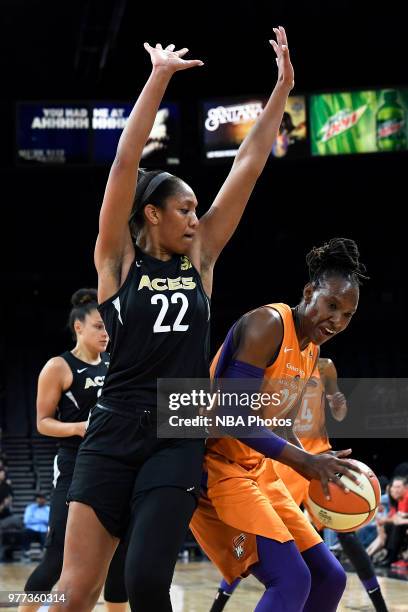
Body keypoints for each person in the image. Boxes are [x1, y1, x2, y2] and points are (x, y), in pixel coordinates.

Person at [51, 27, 296, 612]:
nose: (195, 217)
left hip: (174, 430)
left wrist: (282, 89)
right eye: (184, 208)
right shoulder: (115, 263)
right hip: (110, 429)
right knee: (74, 591)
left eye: (197, 210)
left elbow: (249, 163)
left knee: (142, 583)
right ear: (151, 214)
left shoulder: (202, 258)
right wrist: (157, 77)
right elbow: (123, 164)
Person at [191, 237, 366, 612]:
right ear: (309, 292)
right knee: (291, 579)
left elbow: (279, 420)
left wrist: (320, 462)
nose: (337, 320)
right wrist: (303, 463)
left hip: (258, 471)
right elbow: (230, 416)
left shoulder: (312, 350)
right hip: (217, 469)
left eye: (348, 314)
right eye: (331, 305)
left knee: (330, 577)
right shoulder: (267, 324)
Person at [208, 357, 389, 612]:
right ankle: (219, 604)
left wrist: (338, 405)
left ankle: (380, 606)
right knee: (269, 547)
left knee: (341, 548)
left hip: (318, 456)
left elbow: (339, 411)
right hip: (287, 459)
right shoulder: (274, 361)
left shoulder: (324, 365)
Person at [19, 289, 128, 612]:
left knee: (119, 557)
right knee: (56, 559)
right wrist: (79, 428)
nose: (106, 333)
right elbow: (42, 422)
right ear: (78, 327)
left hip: (114, 466)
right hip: (74, 467)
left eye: (108, 326)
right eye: (98, 326)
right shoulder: (59, 367)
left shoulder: (115, 364)